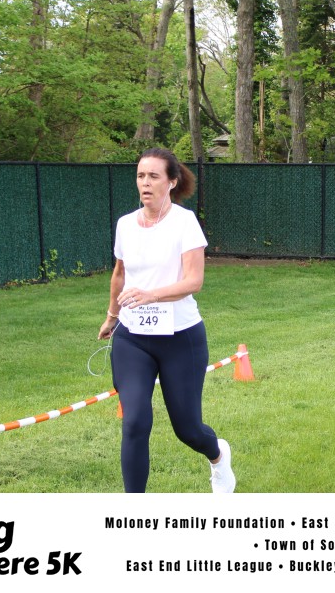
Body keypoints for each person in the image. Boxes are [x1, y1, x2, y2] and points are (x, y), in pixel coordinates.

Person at [97, 147, 235, 493]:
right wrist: (112, 315)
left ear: (171, 182)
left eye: (154, 176)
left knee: (188, 429)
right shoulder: (125, 224)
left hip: (180, 337)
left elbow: (194, 281)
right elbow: (120, 274)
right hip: (133, 337)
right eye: (140, 176)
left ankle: (218, 456)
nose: (145, 183)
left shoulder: (184, 222)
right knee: (134, 422)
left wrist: (152, 295)